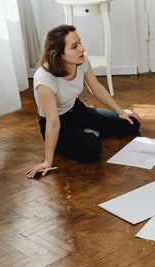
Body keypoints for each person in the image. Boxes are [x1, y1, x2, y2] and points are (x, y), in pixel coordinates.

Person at [26, 24, 141, 179]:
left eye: (80, 42)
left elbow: (97, 90)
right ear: (60, 55)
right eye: (74, 46)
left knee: (132, 123)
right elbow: (53, 122)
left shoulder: (81, 61)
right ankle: (87, 132)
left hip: (77, 110)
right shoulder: (44, 79)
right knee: (92, 149)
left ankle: (87, 127)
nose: (82, 49)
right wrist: (47, 161)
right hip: (57, 123)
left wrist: (121, 112)